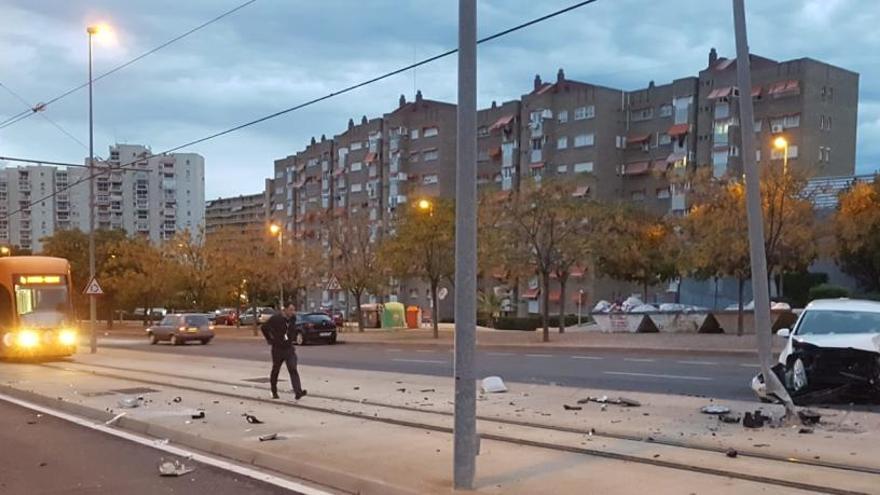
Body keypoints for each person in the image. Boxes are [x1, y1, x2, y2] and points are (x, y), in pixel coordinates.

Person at [260, 303, 307, 400]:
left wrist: (291, 338)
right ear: (284, 310)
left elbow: (291, 329)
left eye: (293, 310)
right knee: (276, 369)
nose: (292, 312)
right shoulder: (276, 319)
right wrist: (270, 339)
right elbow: (264, 328)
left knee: (293, 368)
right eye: (290, 310)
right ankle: (274, 391)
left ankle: (298, 391)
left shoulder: (293, 319)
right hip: (278, 349)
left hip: (289, 348)